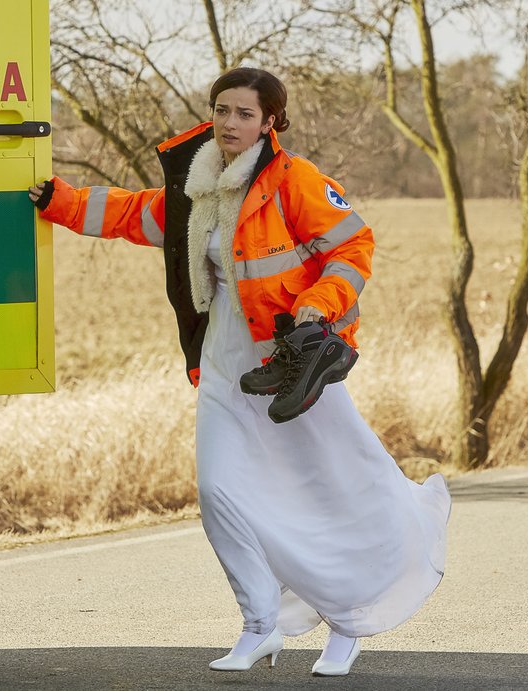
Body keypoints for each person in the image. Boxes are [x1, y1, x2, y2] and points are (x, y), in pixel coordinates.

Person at [29, 67, 451, 678]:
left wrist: (318, 307)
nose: (230, 123)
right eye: (222, 109)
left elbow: (354, 246)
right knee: (218, 492)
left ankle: (348, 622)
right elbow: (135, 213)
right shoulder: (196, 183)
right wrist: (59, 202)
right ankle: (260, 626)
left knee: (333, 487)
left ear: (271, 122)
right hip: (224, 356)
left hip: (295, 359)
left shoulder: (293, 180)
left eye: (245, 114)